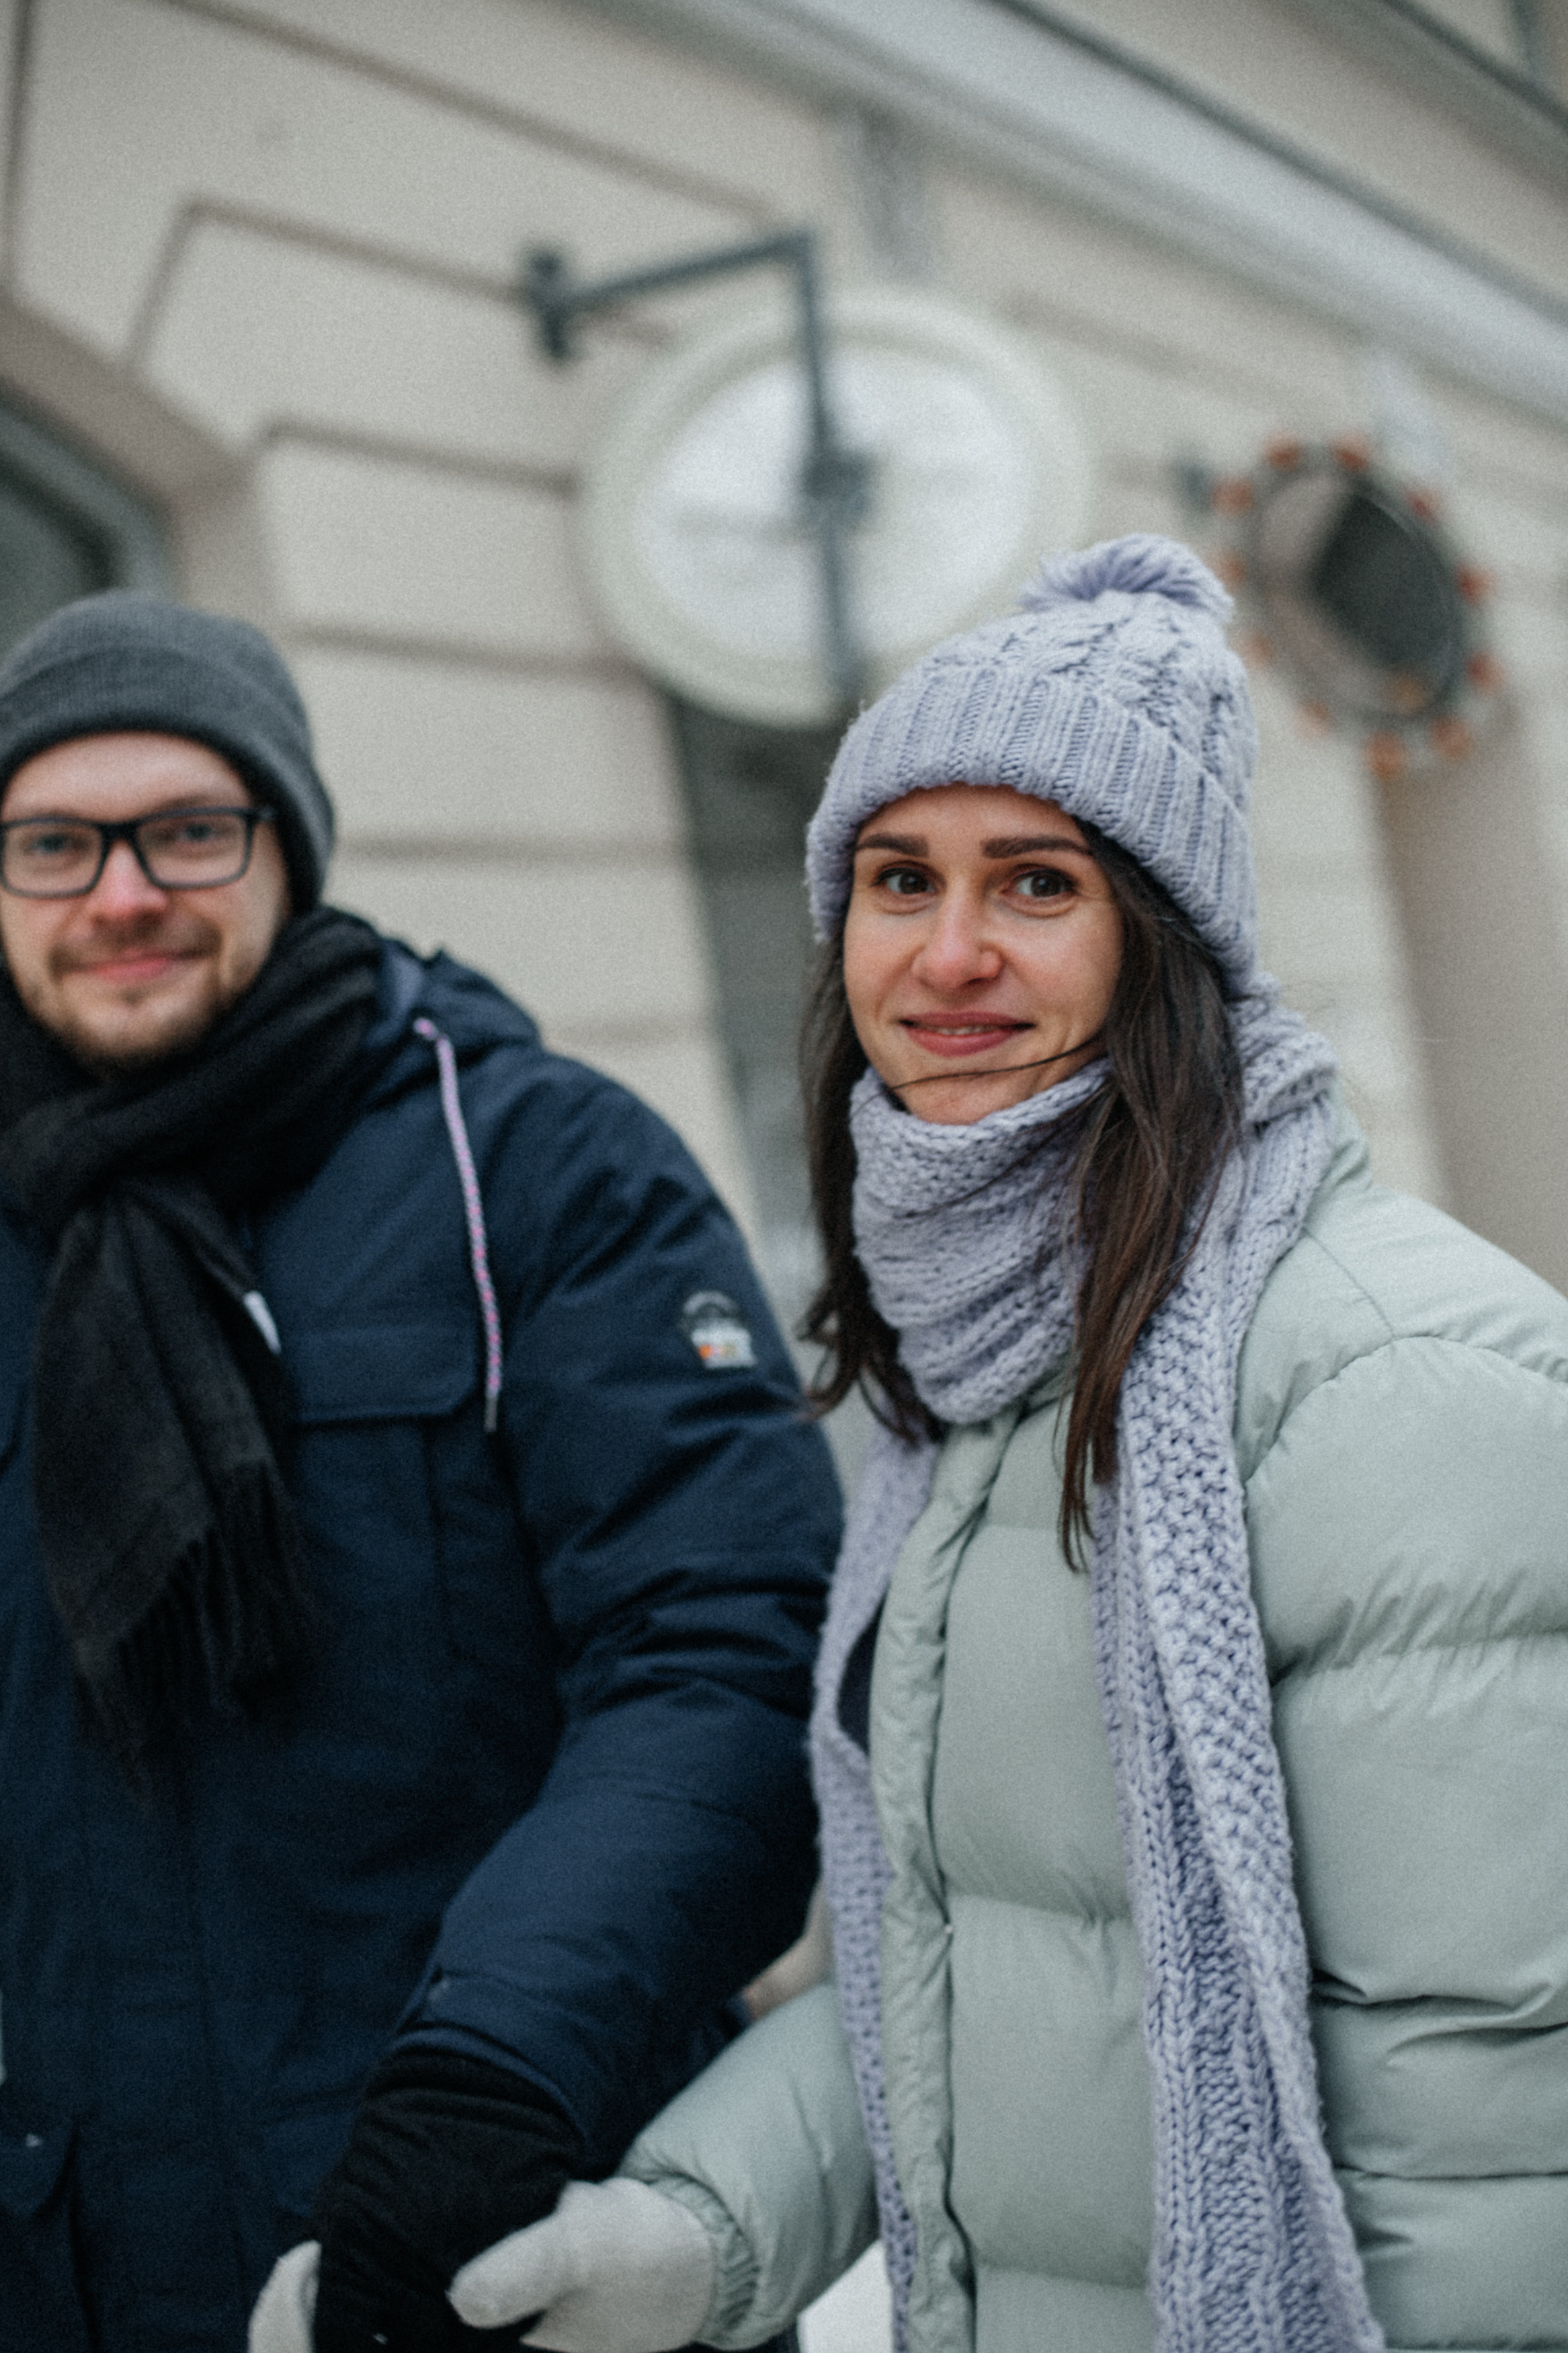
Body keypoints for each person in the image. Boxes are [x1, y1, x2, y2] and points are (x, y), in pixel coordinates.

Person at [439, 536, 1568, 2353]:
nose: (947, 953)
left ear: (1160, 940)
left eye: (1034, 881)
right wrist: (697, 2224)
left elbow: (1498, 2130)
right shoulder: (976, 1382)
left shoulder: (1392, 1377)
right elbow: (982, 1968)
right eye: (900, 878)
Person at [0, 590, 840, 2353]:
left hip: (471, 2228)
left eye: (187, 830)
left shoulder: (535, 1164)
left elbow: (722, 1643)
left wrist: (495, 2067)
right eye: (54, 843)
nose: (123, 892)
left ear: (287, 843)